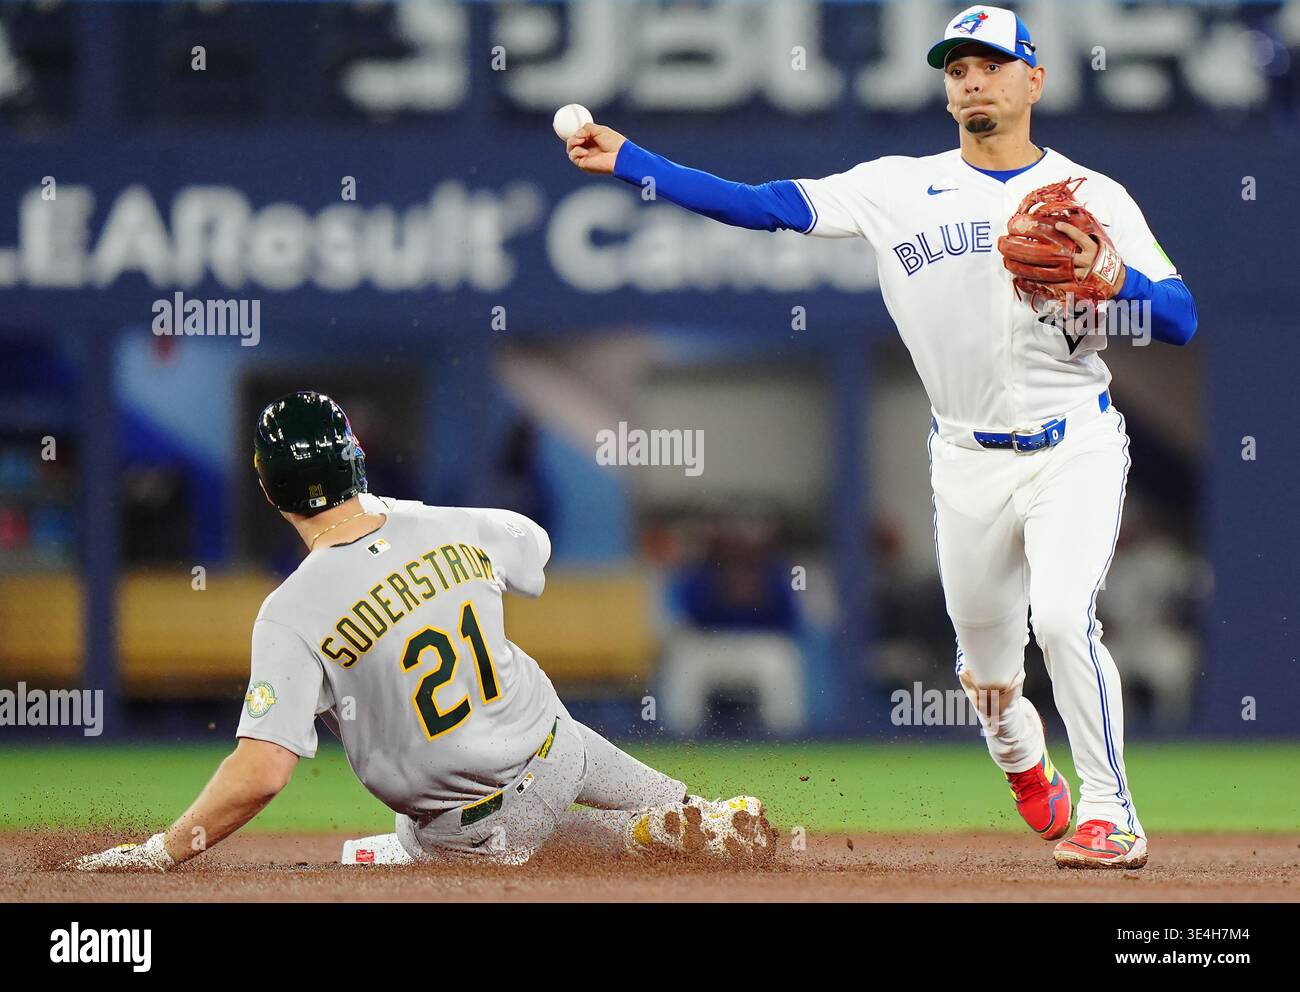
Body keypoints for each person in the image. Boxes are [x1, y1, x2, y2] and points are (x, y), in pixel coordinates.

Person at [565, 5, 1198, 869]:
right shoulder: (898, 185)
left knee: (1060, 615)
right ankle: (1022, 764)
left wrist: (1115, 280)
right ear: (947, 92)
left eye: (990, 65)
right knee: (986, 670)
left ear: (1034, 80)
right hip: (966, 459)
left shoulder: (1094, 197)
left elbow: (1181, 320)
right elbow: (761, 207)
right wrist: (632, 160)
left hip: (1074, 444)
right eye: (957, 70)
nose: (972, 80)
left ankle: (1110, 812)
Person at [70, 391, 775, 871]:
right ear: (355, 458)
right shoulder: (451, 522)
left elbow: (261, 774)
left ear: (267, 487)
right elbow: (533, 547)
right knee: (378, 849)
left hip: (473, 824)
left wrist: (162, 851)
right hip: (563, 744)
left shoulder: (292, 611)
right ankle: (703, 816)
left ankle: (647, 835)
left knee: (419, 851)